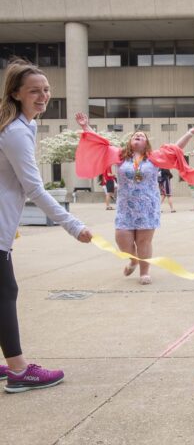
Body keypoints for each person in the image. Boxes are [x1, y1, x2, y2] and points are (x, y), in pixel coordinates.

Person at [0, 59, 93, 393]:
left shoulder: (25, 126)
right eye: (34, 91)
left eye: (46, 90)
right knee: (5, 293)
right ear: (16, 93)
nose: (43, 96)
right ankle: (19, 370)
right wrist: (71, 224)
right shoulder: (15, 133)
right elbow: (34, 188)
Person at [74, 112, 194, 285]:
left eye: (141, 136)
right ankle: (133, 260)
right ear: (130, 142)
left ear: (146, 143)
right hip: (125, 207)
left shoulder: (154, 158)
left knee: (143, 241)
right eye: (135, 135)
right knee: (122, 241)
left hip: (147, 206)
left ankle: (144, 271)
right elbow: (99, 143)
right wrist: (85, 126)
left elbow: (176, 149)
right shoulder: (119, 156)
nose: (138, 136)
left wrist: (189, 133)